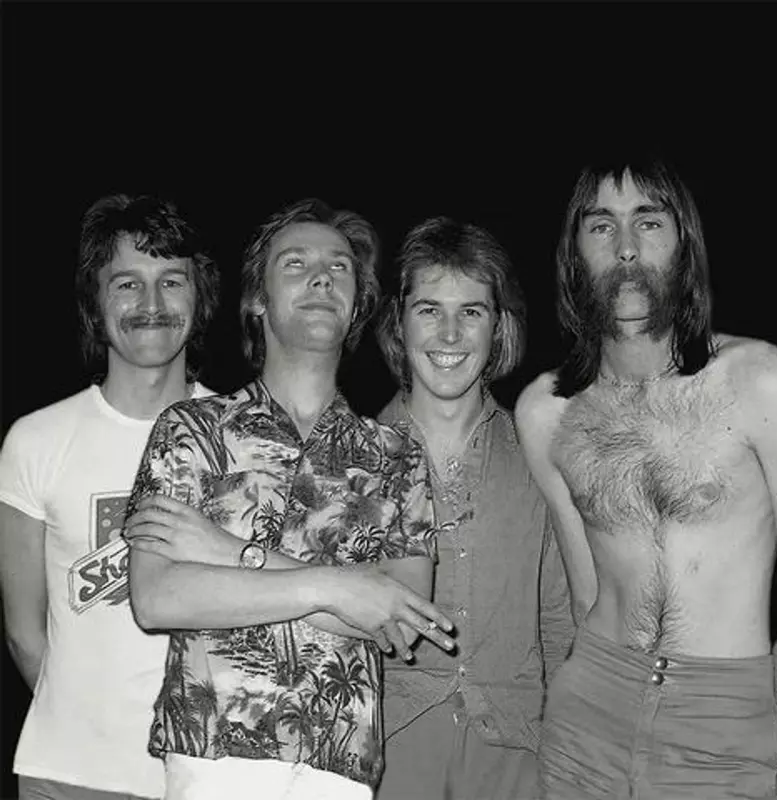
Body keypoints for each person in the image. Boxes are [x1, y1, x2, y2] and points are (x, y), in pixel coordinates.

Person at [124, 198, 456, 800]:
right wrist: (340, 588)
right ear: (258, 299)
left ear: (357, 304)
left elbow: (399, 623)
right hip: (211, 755)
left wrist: (229, 552)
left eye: (339, 267)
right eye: (296, 264)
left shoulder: (396, 455)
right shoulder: (191, 429)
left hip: (339, 763)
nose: (322, 277)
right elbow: (156, 597)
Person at [515, 156, 777, 799]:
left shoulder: (763, 383)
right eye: (601, 226)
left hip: (723, 717)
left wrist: (765, 735)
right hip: (588, 716)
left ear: (684, 243)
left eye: (648, 222)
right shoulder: (546, 413)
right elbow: (586, 595)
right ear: (573, 255)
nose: (625, 247)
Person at [0, 194, 221, 799]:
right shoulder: (36, 441)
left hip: (204, 775)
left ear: (199, 299)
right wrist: (91, 733)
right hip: (67, 776)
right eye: (127, 284)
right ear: (95, 305)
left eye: (171, 281)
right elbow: (23, 632)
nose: (151, 304)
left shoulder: (243, 438)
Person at [373, 217, 574, 800]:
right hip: (389, 743)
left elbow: (559, 620)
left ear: (499, 326)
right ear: (399, 321)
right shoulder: (352, 457)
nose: (450, 333)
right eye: (429, 309)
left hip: (517, 750)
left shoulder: (539, 454)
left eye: (472, 311)